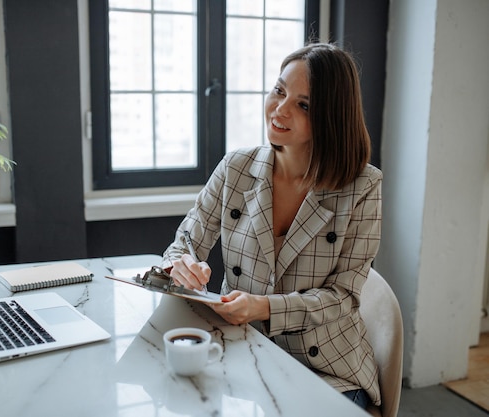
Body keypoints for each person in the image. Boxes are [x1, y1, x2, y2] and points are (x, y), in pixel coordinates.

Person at [162, 43, 382, 410]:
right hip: (242, 352)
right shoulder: (236, 168)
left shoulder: (363, 187)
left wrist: (264, 307)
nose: (280, 110)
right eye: (279, 91)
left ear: (331, 117)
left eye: (304, 104)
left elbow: (344, 297)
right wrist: (181, 266)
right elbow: (185, 241)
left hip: (326, 369)